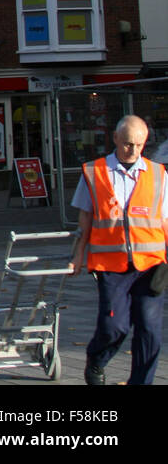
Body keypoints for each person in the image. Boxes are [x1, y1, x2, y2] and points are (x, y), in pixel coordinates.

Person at [69, 114, 168, 386]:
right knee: (114, 327)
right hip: (110, 265)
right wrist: (78, 256)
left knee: (149, 330)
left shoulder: (158, 174)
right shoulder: (95, 172)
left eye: (138, 145)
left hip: (151, 265)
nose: (133, 150)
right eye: (127, 144)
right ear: (114, 139)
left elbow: (164, 220)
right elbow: (85, 219)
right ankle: (97, 360)